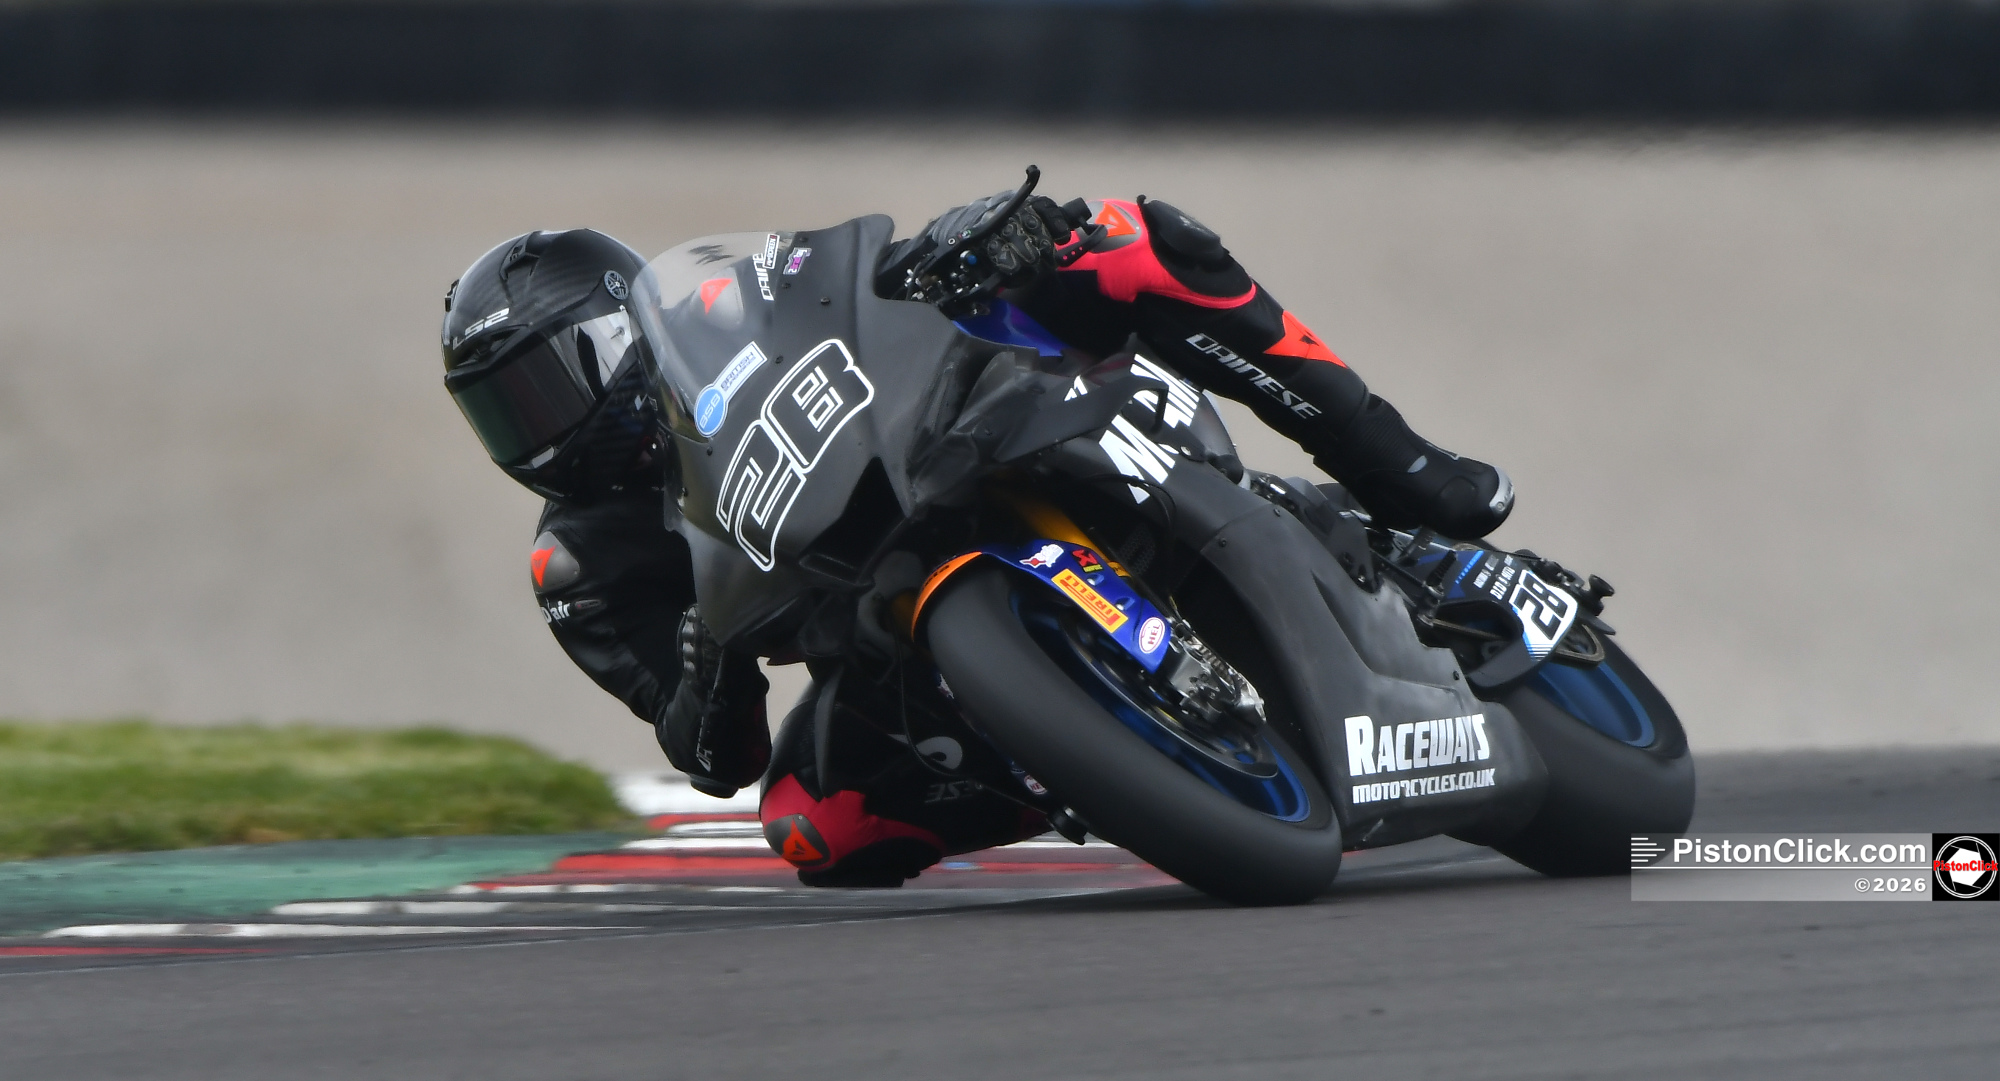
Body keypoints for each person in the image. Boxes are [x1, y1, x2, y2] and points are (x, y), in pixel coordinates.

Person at [438, 189, 1513, 887]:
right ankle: (1083, 756)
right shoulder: (582, 563)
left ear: (623, 328)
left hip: (986, 424)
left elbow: (845, 286)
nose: (541, 423)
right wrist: (702, 668)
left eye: (551, 376)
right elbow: (713, 758)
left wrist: (971, 242)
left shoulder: (723, 306)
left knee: (1131, 242)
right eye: (506, 409)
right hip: (868, 620)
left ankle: (1402, 471)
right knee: (817, 821)